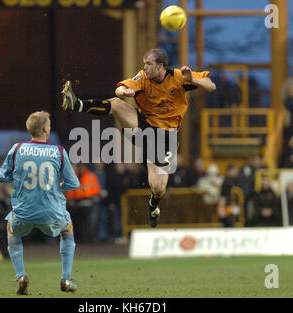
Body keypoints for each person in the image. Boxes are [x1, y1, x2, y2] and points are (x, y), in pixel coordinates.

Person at [60, 48, 216, 227]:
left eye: (148, 64)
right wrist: (124, 92)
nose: (145, 67)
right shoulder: (143, 78)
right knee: (117, 104)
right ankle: (77, 104)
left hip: (166, 138)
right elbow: (121, 88)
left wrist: (192, 79)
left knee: (158, 187)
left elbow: (211, 85)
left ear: (160, 65)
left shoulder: (179, 77)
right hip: (144, 126)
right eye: (144, 64)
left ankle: (153, 205)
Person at [0, 111, 80, 295]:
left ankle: (21, 275)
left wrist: (18, 177)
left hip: (24, 213)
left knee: (11, 227)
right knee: (68, 227)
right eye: (49, 124)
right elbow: (73, 183)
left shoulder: (17, 149)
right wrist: (58, 185)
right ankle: (66, 277)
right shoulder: (58, 151)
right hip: (52, 214)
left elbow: (2, 176)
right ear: (45, 129)